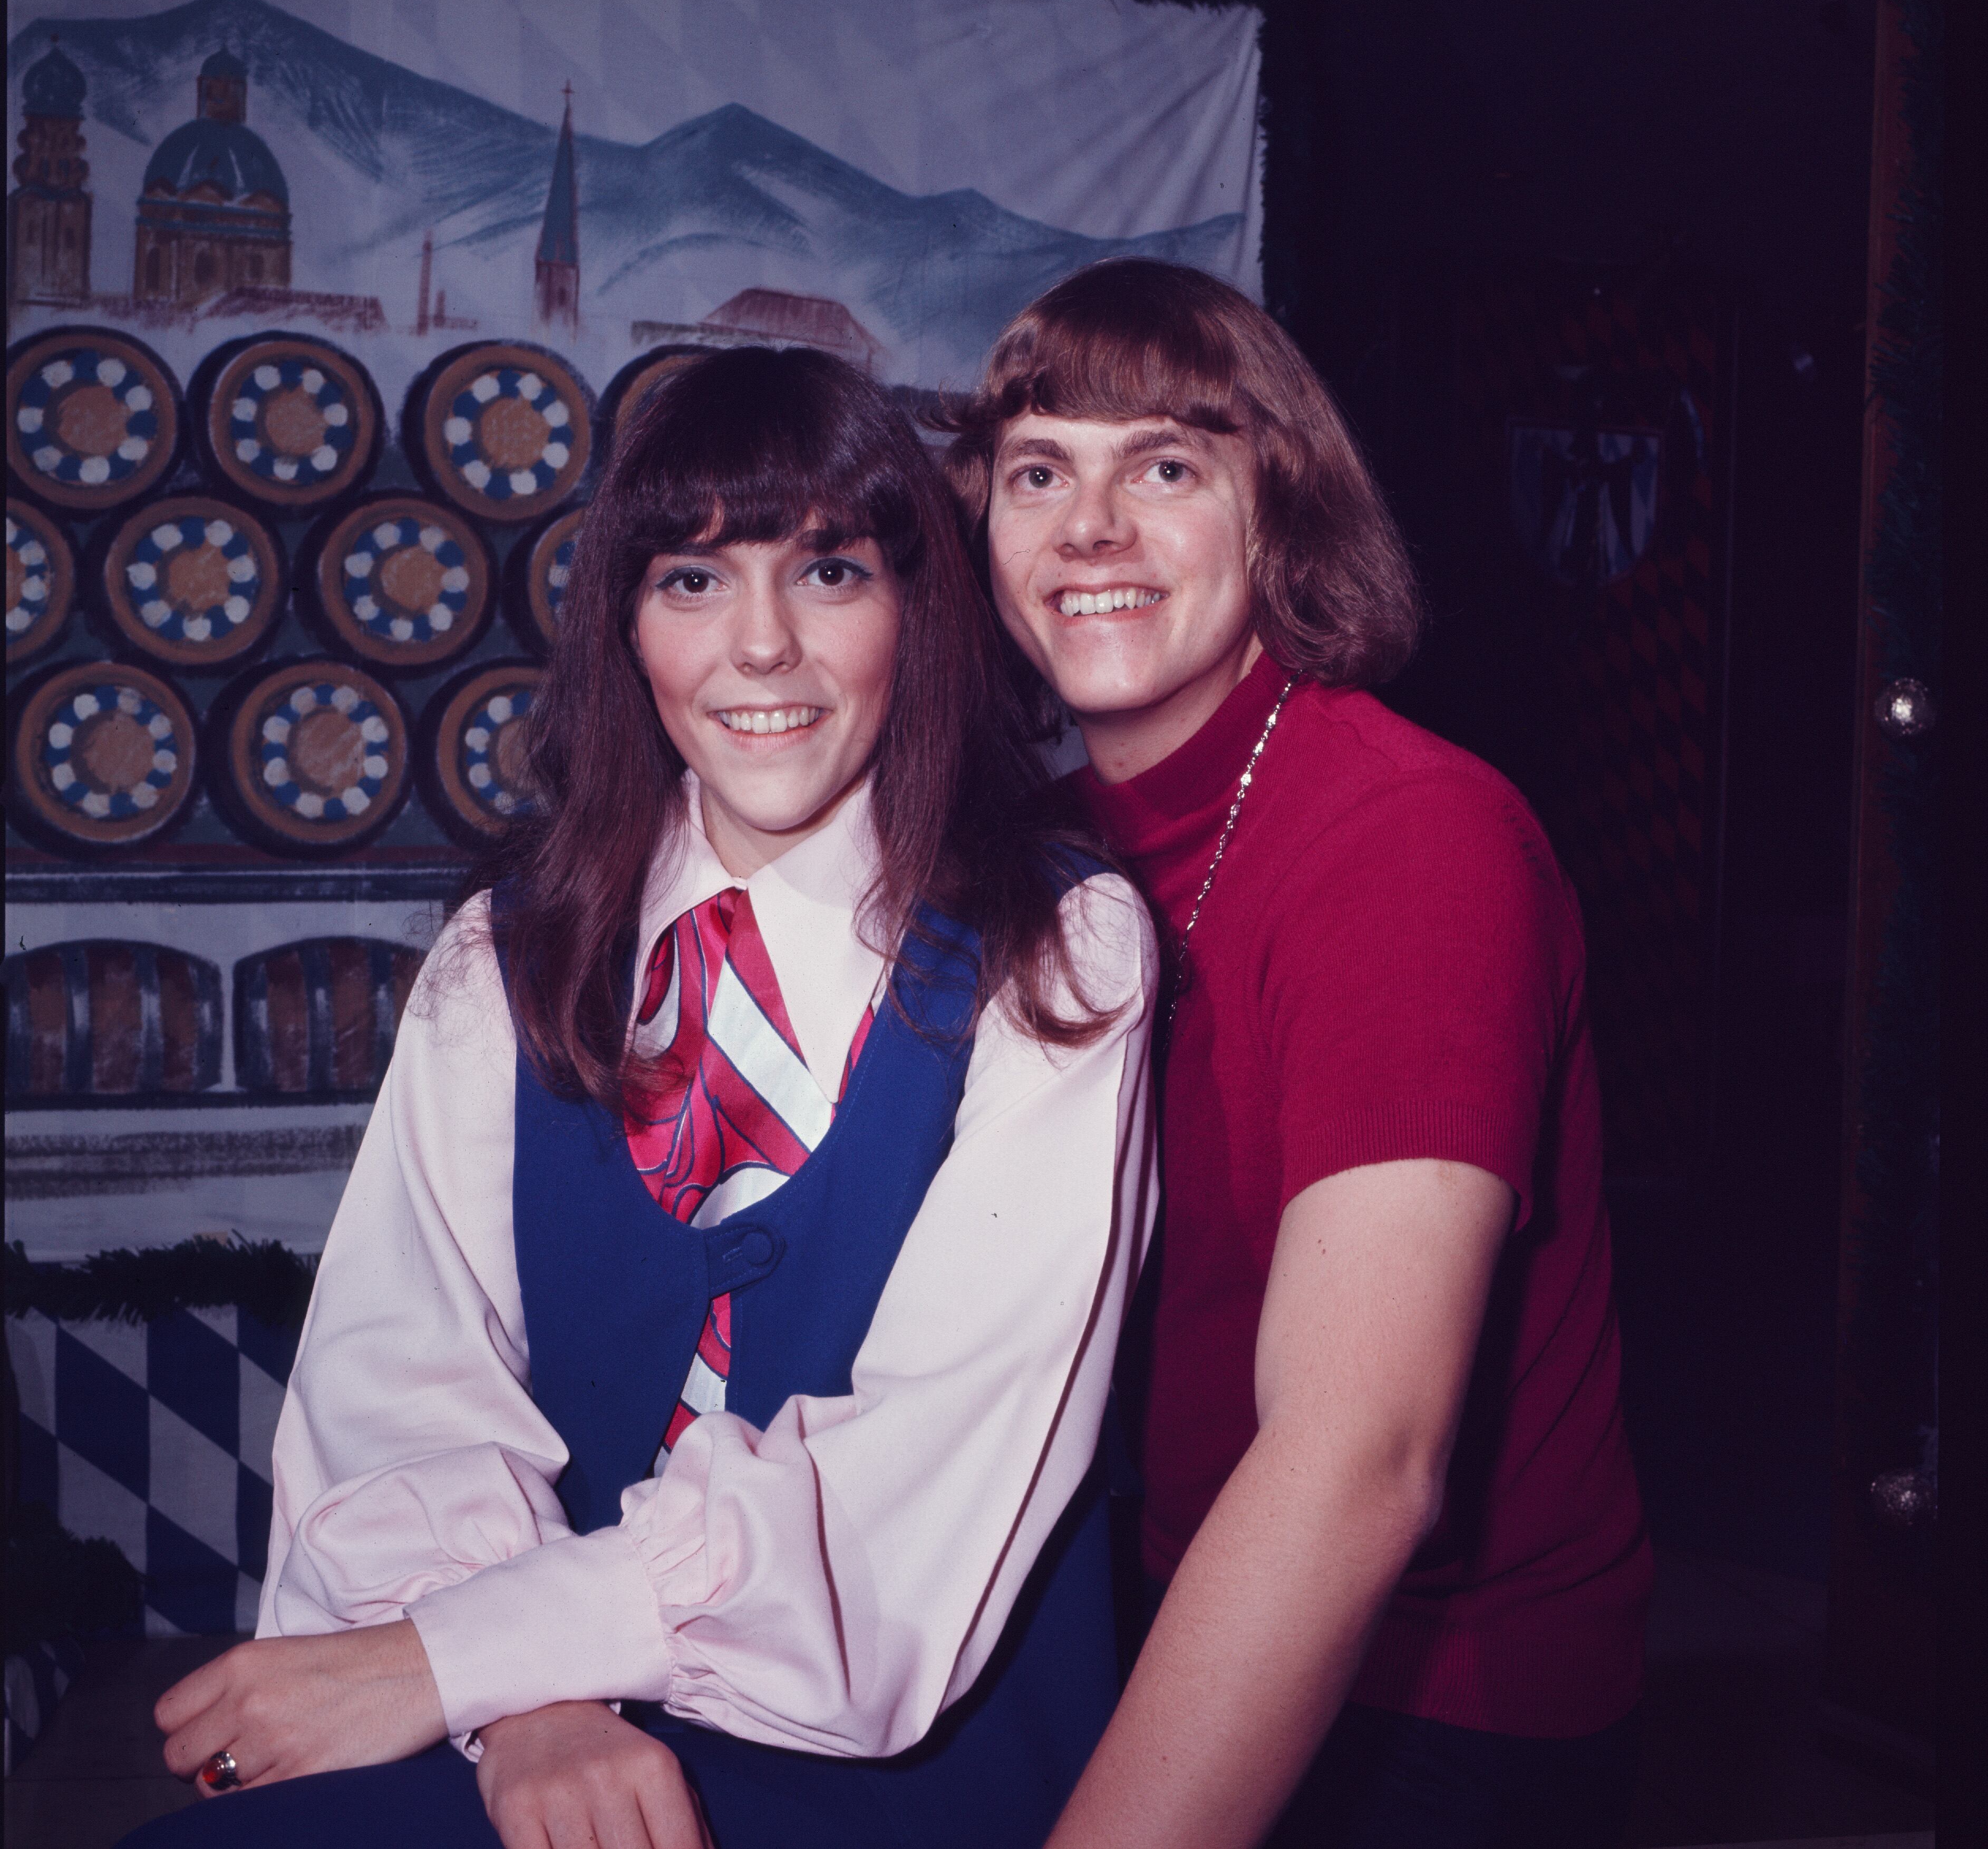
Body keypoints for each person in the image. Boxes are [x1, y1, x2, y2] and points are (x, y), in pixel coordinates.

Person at [127, 346, 1157, 1849]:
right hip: (537, 1728)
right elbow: (402, 1387)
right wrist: (533, 1706)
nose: (759, 651)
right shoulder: (512, 950)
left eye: (826, 574)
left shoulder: (1057, 948)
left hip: (911, 1753)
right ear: (624, 624)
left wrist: (450, 1657)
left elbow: (913, 1500)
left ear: (914, 615)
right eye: (691, 580)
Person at [947, 258, 1653, 1849]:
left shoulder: (1407, 839)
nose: (1091, 529)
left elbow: (1358, 1464)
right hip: (1159, 1595)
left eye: (1167, 467)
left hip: (1438, 1692)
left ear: (1283, 515)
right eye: (1039, 471)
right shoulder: (1043, 857)